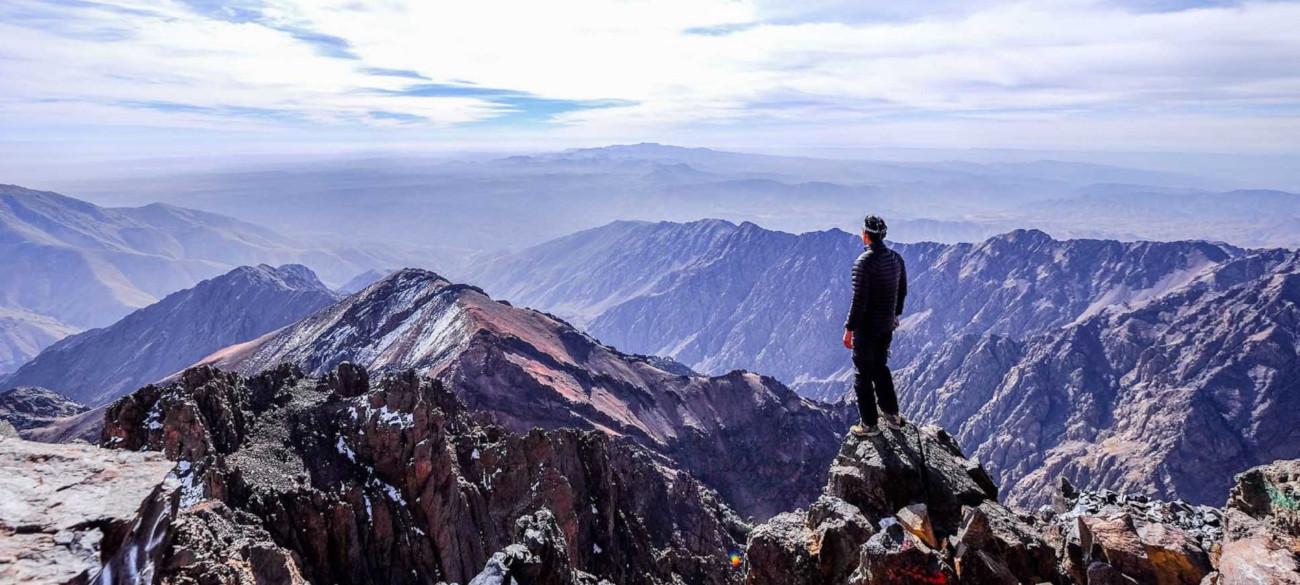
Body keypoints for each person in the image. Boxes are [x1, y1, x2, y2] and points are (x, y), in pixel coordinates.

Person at [842, 214, 907, 438]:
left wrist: (849, 329)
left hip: (867, 328)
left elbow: (858, 300)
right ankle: (892, 416)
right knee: (881, 368)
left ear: (866, 235)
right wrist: (895, 315)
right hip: (886, 326)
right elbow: (902, 291)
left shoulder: (863, 263)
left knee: (862, 374)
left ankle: (869, 425)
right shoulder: (896, 259)